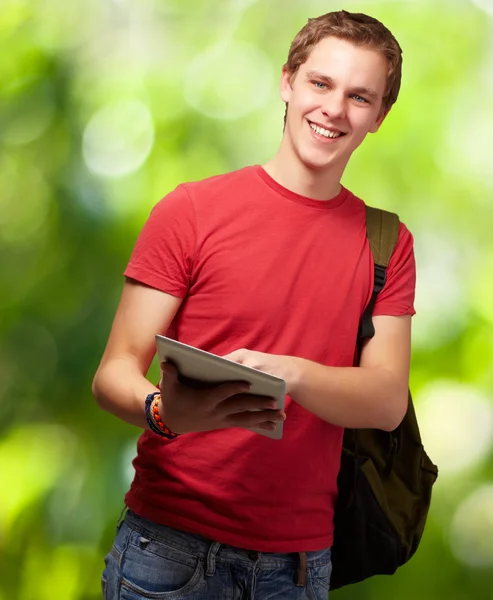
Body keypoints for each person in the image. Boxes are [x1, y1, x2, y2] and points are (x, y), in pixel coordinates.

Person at [93, 9, 415, 600]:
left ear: (379, 117)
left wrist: (289, 374)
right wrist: (167, 412)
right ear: (288, 81)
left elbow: (388, 400)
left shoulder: (387, 243)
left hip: (298, 565)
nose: (335, 109)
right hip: (167, 551)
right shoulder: (190, 211)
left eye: (360, 96)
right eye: (321, 83)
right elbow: (114, 372)